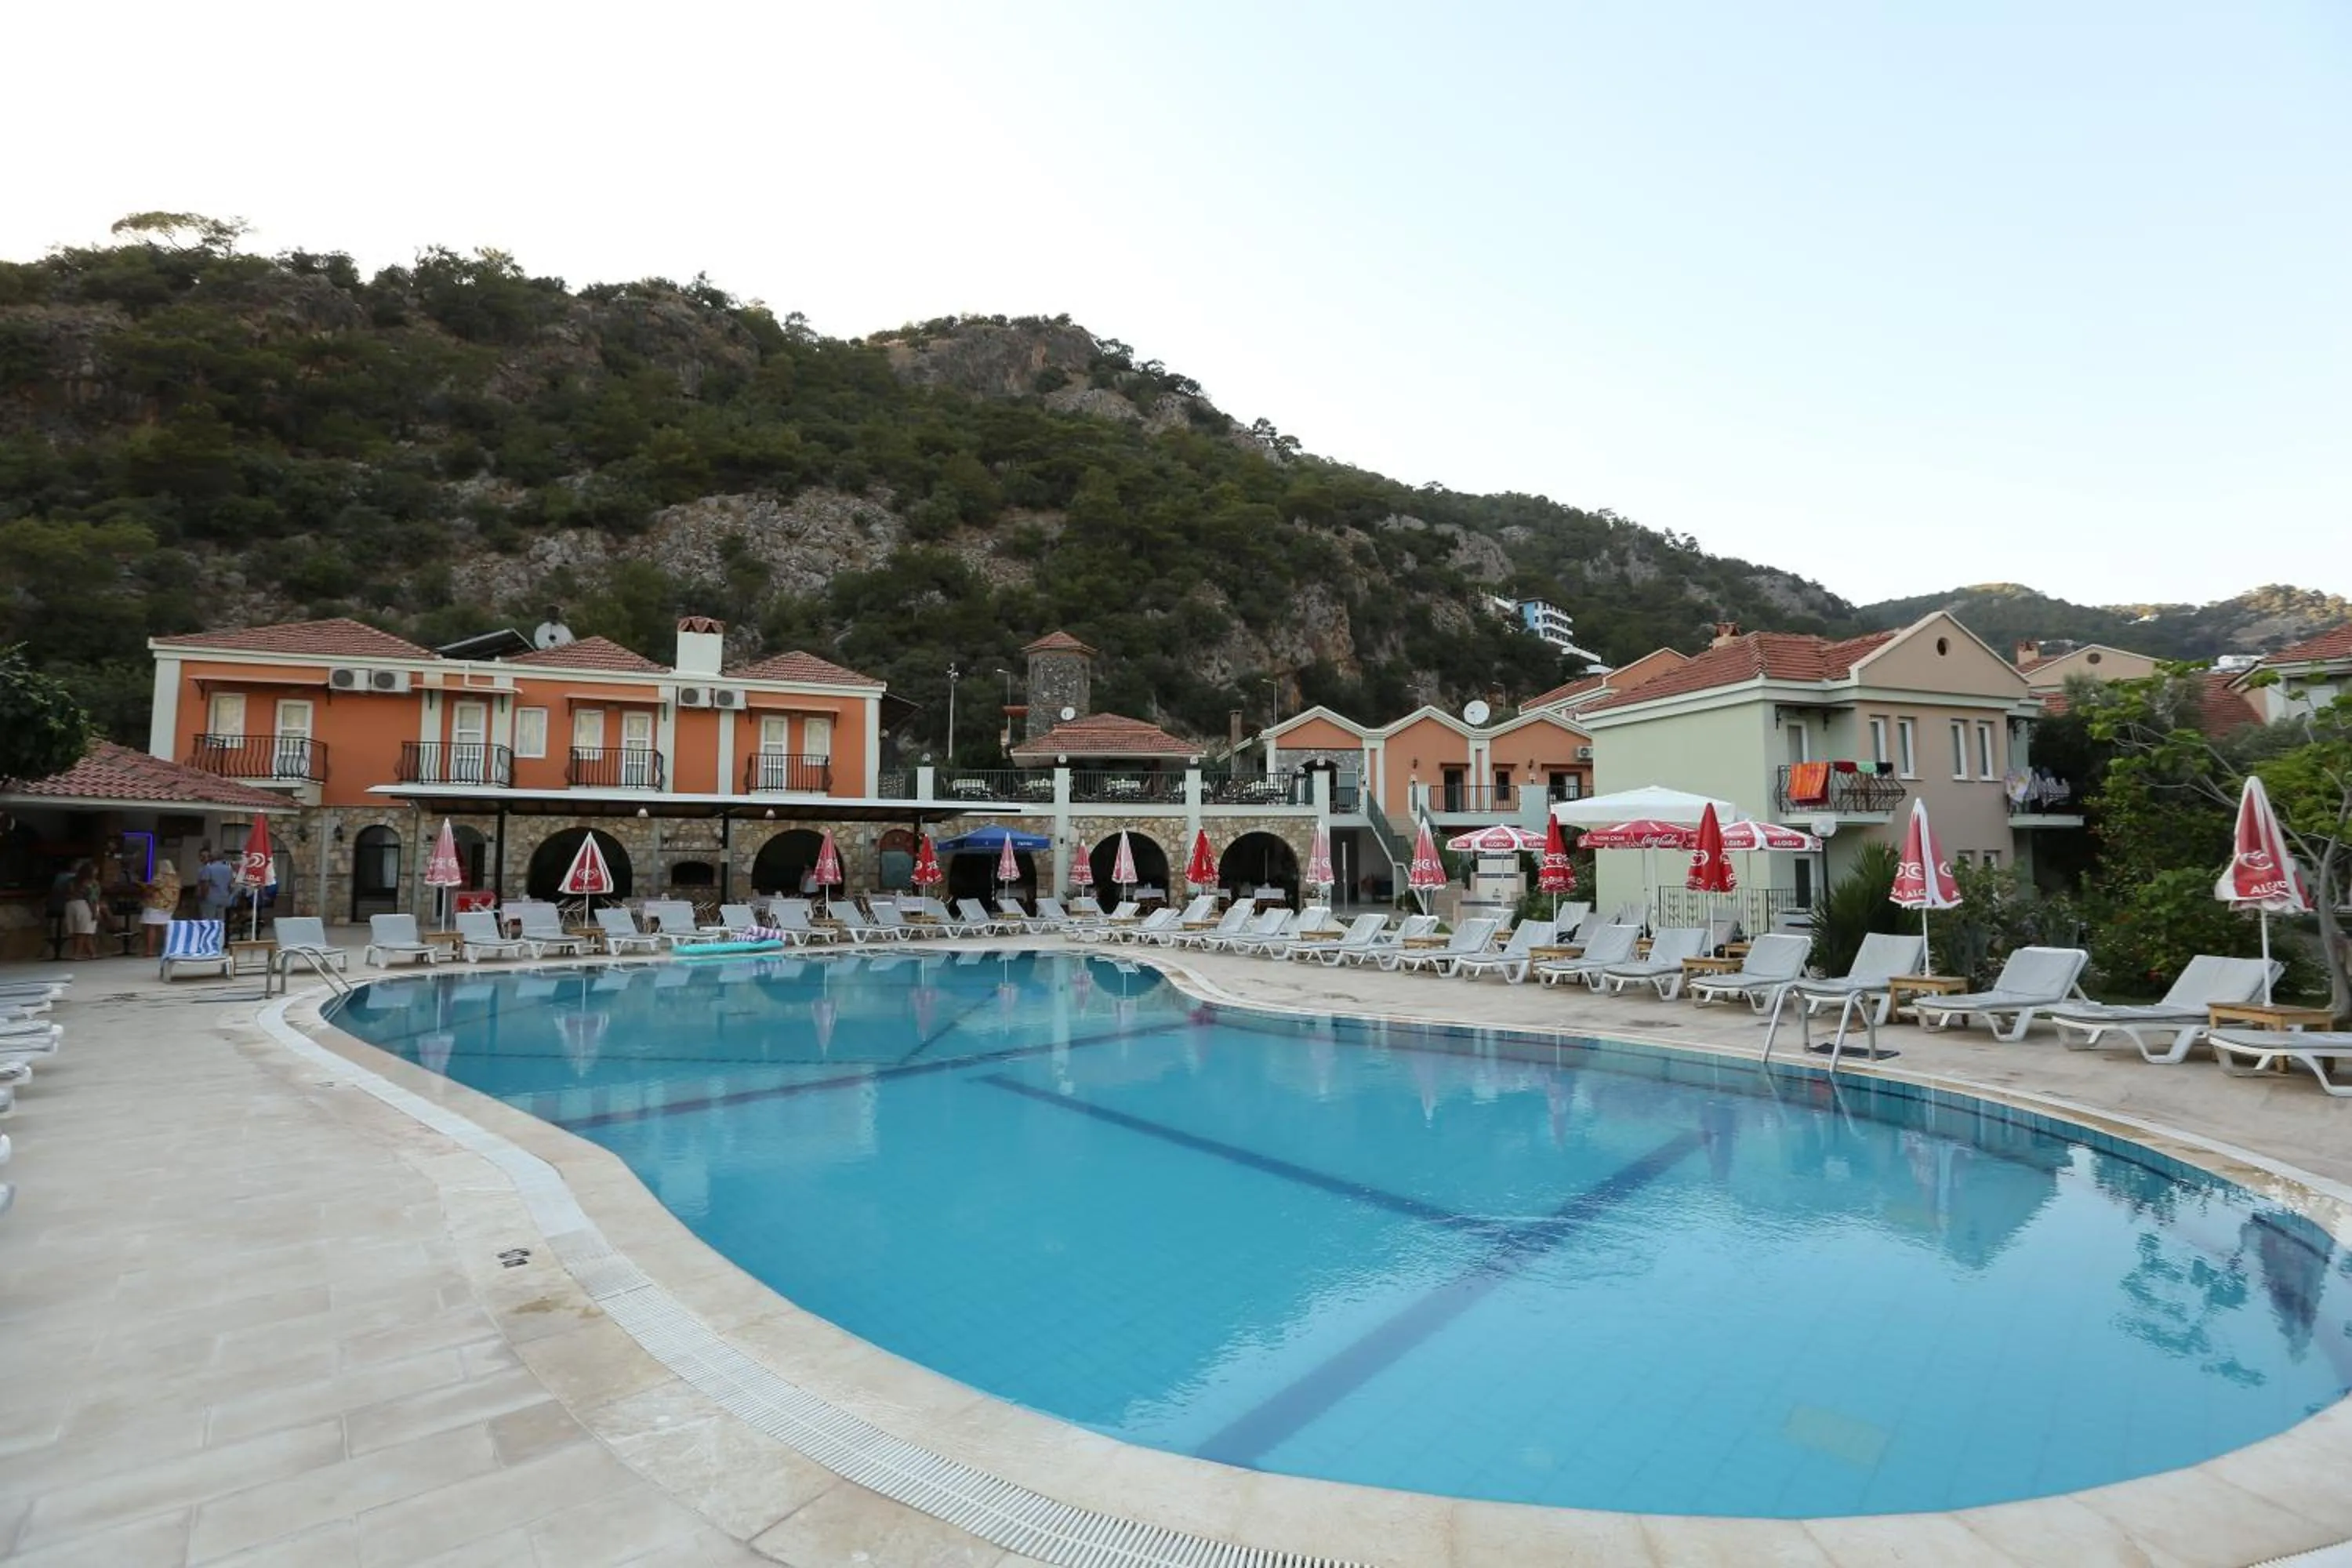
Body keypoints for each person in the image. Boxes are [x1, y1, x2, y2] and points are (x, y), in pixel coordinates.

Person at [142, 856, 182, 957]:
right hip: (170, 906)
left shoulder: (160, 877)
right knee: (165, 928)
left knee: (151, 927)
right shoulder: (176, 878)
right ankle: (169, 949)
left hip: (156, 905)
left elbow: (151, 889)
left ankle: (149, 950)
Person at [63, 859, 100, 961]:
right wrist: (94, 911)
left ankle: (92, 953)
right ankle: (76, 954)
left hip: (70, 905)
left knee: (77, 931)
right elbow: (92, 898)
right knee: (84, 931)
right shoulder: (92, 883)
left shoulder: (71, 881)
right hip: (84, 905)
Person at [196, 848, 234, 923]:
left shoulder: (208, 868)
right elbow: (231, 885)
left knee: (208, 922)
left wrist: (203, 897)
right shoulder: (228, 869)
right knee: (220, 922)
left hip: (210, 899)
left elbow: (205, 886)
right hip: (224, 898)